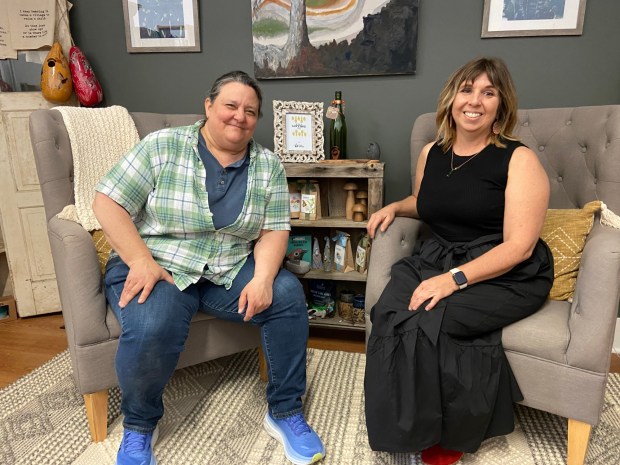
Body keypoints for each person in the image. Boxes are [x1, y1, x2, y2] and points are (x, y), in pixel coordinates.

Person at [93, 70, 326, 465]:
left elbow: (273, 231)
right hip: (158, 263)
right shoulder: (162, 145)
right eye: (231, 106)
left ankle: (285, 412)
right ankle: (139, 427)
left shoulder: (267, 165)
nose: (240, 117)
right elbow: (107, 202)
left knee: (287, 295)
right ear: (208, 106)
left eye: (250, 111)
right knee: (153, 321)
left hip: (226, 268)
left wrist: (265, 278)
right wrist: (140, 260)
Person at [363, 57, 554, 465]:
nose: (475, 101)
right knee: (391, 311)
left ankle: (446, 439)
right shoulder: (433, 152)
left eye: (489, 93)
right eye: (467, 90)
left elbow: (519, 246)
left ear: (501, 106)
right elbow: (427, 202)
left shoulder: (518, 159)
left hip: (506, 270)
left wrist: (454, 280)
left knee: (432, 319)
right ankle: (403, 432)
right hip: (440, 254)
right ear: (452, 99)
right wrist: (395, 207)